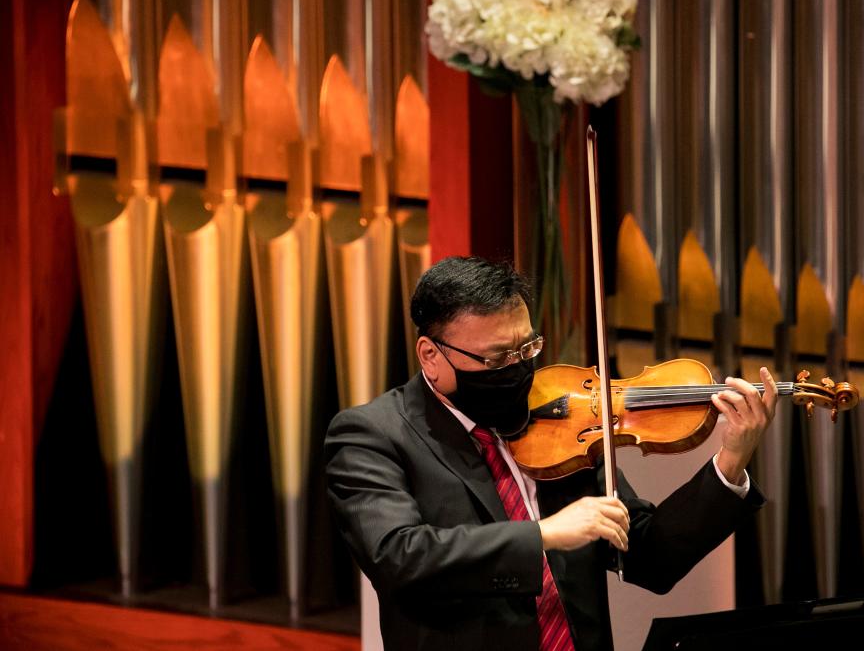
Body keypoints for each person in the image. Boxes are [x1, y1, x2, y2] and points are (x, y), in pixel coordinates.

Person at [324, 256, 777, 651]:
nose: (519, 368)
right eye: (498, 358)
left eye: (528, 348)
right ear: (431, 355)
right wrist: (540, 535)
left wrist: (730, 463)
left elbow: (649, 557)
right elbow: (400, 557)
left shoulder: (560, 420)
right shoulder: (373, 435)